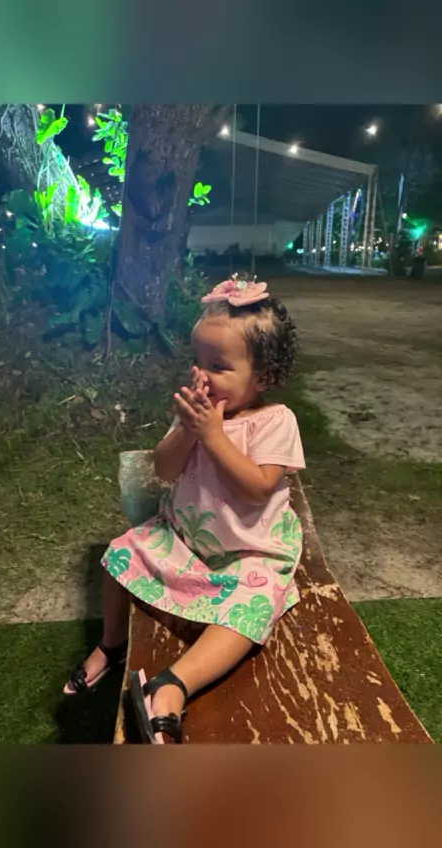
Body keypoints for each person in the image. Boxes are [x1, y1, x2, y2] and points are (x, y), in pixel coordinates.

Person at [64, 274, 306, 744]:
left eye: (218, 366)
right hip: (185, 538)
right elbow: (165, 468)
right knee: (118, 555)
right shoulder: (195, 414)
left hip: (248, 550)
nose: (202, 375)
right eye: (198, 361)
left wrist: (214, 436)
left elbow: (259, 488)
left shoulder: (275, 421)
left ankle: (173, 684)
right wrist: (190, 430)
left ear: (262, 376)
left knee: (253, 608)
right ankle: (111, 644)